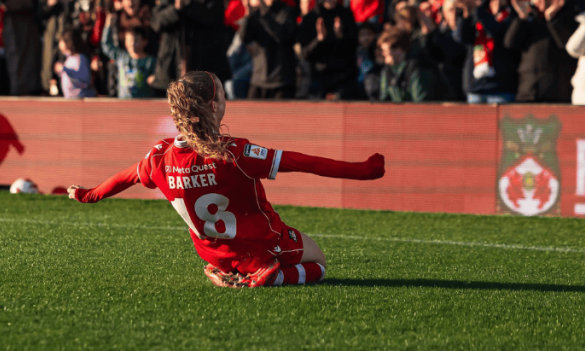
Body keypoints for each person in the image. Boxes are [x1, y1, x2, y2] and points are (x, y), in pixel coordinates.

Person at [68, 71, 386, 288]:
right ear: (213, 106)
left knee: (224, 251)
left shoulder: (159, 158)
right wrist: (362, 170)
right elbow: (305, 163)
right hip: (260, 247)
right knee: (318, 264)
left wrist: (88, 195)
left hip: (214, 252)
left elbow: (123, 178)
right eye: (222, 93)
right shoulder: (235, 152)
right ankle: (269, 276)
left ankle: (223, 268)